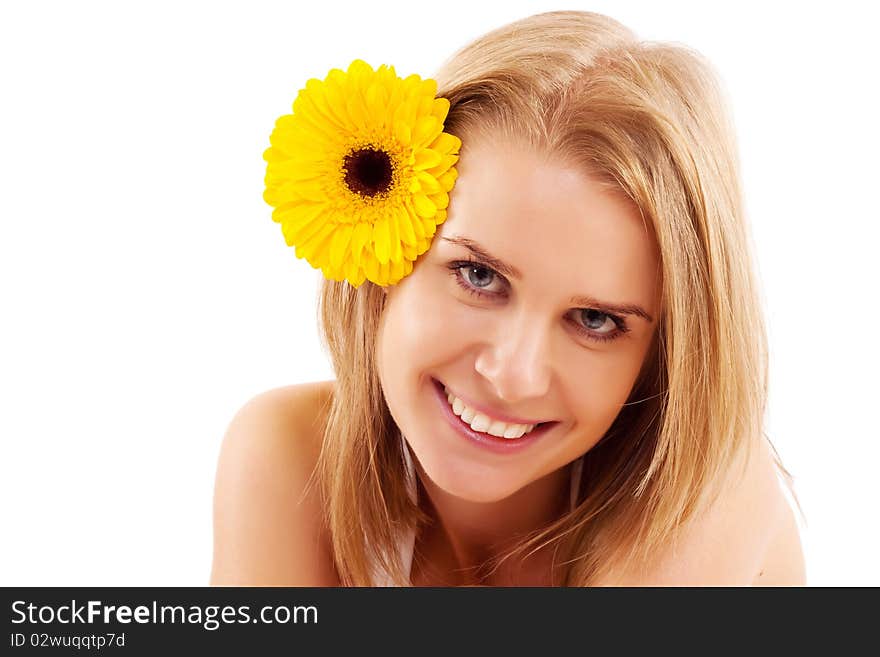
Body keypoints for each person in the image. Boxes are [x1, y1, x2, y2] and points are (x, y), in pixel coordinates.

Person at [210, 10, 806, 586]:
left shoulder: (706, 493)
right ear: (384, 256)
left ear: (665, 352)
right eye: (478, 276)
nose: (512, 375)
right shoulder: (289, 454)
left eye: (594, 320)